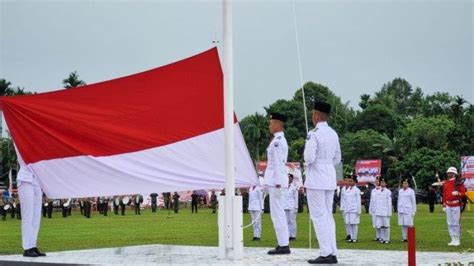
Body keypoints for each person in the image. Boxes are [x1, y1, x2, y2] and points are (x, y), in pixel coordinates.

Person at [304, 101, 341, 264]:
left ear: (317, 115)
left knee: (319, 216)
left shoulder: (314, 133)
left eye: (313, 114)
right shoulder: (333, 133)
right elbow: (337, 158)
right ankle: (332, 251)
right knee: (327, 215)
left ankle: (325, 253)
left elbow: (309, 157)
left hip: (316, 179)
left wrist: (311, 164)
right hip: (329, 177)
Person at [263, 112, 290, 255]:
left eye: (271, 123)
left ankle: (284, 245)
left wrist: (279, 183)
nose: (269, 125)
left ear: (278, 124)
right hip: (275, 181)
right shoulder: (276, 140)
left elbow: (279, 164)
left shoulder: (278, 141)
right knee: (277, 213)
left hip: (276, 182)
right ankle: (282, 243)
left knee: (278, 213)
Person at [17, 165, 47, 257]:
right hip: (26, 179)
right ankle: (27, 248)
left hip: (37, 181)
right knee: (28, 216)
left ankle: (33, 245)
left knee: (36, 217)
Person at [442, 167, 466, 246]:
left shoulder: (459, 182)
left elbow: (463, 193)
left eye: (451, 173)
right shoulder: (445, 183)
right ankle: (452, 239)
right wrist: (444, 204)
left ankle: (457, 239)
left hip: (456, 204)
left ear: (454, 174)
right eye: (448, 173)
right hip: (448, 205)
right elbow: (444, 195)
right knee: (449, 223)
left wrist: (458, 193)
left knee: (456, 223)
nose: (449, 174)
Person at [373, 178, 392, 244]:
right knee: (380, 225)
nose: (382, 183)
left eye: (384, 182)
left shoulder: (388, 191)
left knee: (386, 225)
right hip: (378, 211)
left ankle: (387, 239)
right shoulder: (377, 191)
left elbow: (389, 203)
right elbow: (376, 202)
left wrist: (389, 212)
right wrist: (375, 210)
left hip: (385, 211)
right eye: (381, 182)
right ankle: (383, 238)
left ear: (386, 184)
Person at [344, 175, 361, 243]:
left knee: (354, 224)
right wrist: (345, 209)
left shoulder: (357, 190)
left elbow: (358, 201)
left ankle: (355, 238)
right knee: (349, 224)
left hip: (354, 210)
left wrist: (358, 211)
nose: (350, 182)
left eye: (351, 181)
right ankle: (351, 237)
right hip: (348, 210)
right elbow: (345, 201)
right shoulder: (347, 190)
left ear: (355, 182)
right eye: (349, 181)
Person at [284, 174, 298, 241]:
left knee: (292, 221)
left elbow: (296, 198)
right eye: (288, 178)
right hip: (285, 206)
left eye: (290, 178)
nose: (289, 179)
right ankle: (288, 235)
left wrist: (296, 207)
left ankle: (293, 235)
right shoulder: (284, 187)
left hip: (292, 206)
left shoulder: (294, 187)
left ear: (292, 179)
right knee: (286, 221)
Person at [339, 175, 351, 241]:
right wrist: (341, 206)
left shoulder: (352, 188)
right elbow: (342, 198)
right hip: (344, 207)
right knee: (345, 222)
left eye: (347, 180)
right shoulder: (343, 188)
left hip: (350, 207)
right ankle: (348, 234)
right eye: (345, 180)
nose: (346, 182)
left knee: (350, 221)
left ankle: (352, 234)